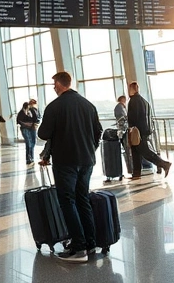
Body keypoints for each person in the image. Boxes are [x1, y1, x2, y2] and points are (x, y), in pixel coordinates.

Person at [37, 71, 102, 263]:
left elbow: (43, 133)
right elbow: (98, 131)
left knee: (68, 201)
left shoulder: (55, 107)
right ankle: (90, 243)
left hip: (66, 162)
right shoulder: (88, 105)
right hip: (87, 160)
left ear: (59, 84)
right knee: (83, 200)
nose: (54, 88)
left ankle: (78, 247)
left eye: (54, 84)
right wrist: (90, 149)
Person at [126, 81, 171, 178]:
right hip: (143, 130)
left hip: (137, 132)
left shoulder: (133, 101)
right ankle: (136, 173)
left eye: (129, 89)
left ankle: (164, 164)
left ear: (132, 89)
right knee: (136, 152)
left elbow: (134, 117)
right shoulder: (143, 101)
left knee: (145, 152)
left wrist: (131, 129)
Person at [16, 101, 39, 166]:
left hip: (32, 128)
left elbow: (36, 118)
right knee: (28, 142)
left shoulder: (32, 110)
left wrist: (35, 123)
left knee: (33, 142)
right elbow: (18, 121)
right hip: (25, 128)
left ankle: (31, 157)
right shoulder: (21, 113)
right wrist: (27, 124)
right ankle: (29, 159)